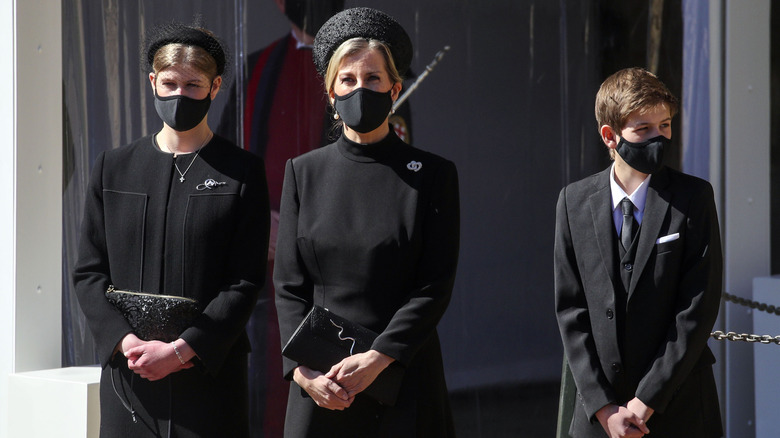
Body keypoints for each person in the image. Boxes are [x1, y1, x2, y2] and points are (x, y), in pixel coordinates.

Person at [73, 22, 270, 438]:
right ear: (152, 82)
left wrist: (183, 350)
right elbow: (89, 272)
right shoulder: (114, 166)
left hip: (209, 377)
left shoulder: (242, 172)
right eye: (170, 83)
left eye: (194, 85)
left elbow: (245, 280)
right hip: (130, 376)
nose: (180, 95)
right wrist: (126, 344)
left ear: (216, 87)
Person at [273, 7, 460, 437]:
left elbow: (434, 286)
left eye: (373, 79)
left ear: (395, 88)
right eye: (349, 80)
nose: (362, 89)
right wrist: (301, 371)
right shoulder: (303, 173)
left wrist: (378, 358)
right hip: (322, 385)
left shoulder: (432, 175)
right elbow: (287, 286)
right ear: (331, 92)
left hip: (403, 378)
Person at [554, 67, 723, 438]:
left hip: (678, 406)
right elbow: (571, 309)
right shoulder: (573, 202)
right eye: (643, 129)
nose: (658, 138)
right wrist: (603, 407)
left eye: (664, 125)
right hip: (601, 414)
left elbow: (697, 306)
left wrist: (645, 401)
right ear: (610, 136)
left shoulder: (693, 198)